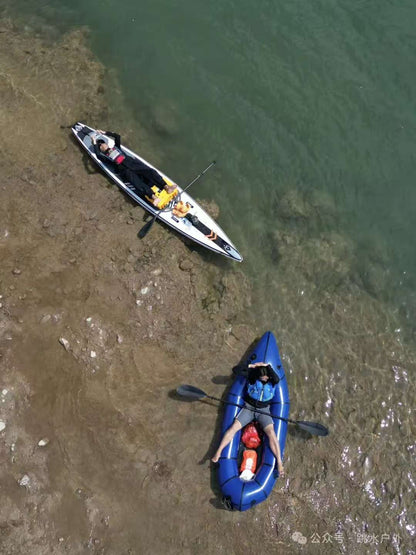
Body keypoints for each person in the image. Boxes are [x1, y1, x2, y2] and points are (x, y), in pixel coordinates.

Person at [211, 362, 285, 477]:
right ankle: (219, 452)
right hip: (249, 408)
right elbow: (236, 370)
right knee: (233, 428)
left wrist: (268, 366)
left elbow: (276, 377)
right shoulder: (252, 377)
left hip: (264, 410)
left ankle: (279, 462)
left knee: (271, 433)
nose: (264, 378)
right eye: (262, 377)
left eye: (265, 376)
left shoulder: (273, 380)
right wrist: (251, 366)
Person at [91, 130, 176, 207]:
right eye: (100, 145)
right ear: (100, 149)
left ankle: (166, 187)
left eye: (102, 143)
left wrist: (105, 133)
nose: (102, 145)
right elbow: (98, 155)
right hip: (124, 170)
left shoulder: (116, 147)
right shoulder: (105, 157)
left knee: (150, 171)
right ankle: (154, 197)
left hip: (131, 163)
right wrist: (94, 143)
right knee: (137, 182)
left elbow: (117, 136)